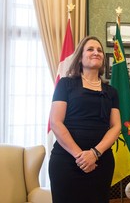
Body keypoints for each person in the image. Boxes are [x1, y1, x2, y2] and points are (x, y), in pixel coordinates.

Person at [48, 36, 121, 203]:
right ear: (80, 57)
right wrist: (81, 157)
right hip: (66, 161)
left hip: (101, 162)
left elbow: (115, 127)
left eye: (99, 50)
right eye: (90, 49)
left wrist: (94, 154)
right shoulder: (65, 84)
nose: (96, 52)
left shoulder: (111, 91)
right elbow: (56, 122)